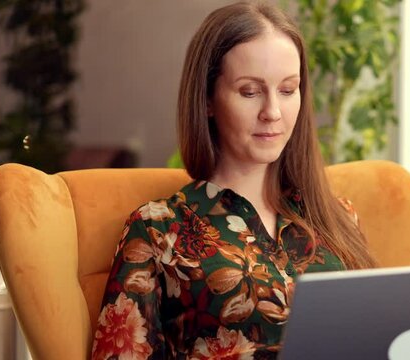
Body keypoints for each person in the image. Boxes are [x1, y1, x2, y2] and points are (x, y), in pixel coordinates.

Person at [91, 1, 376, 359]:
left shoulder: (339, 217)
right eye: (250, 91)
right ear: (208, 99)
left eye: (288, 90)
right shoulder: (158, 230)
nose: (272, 112)